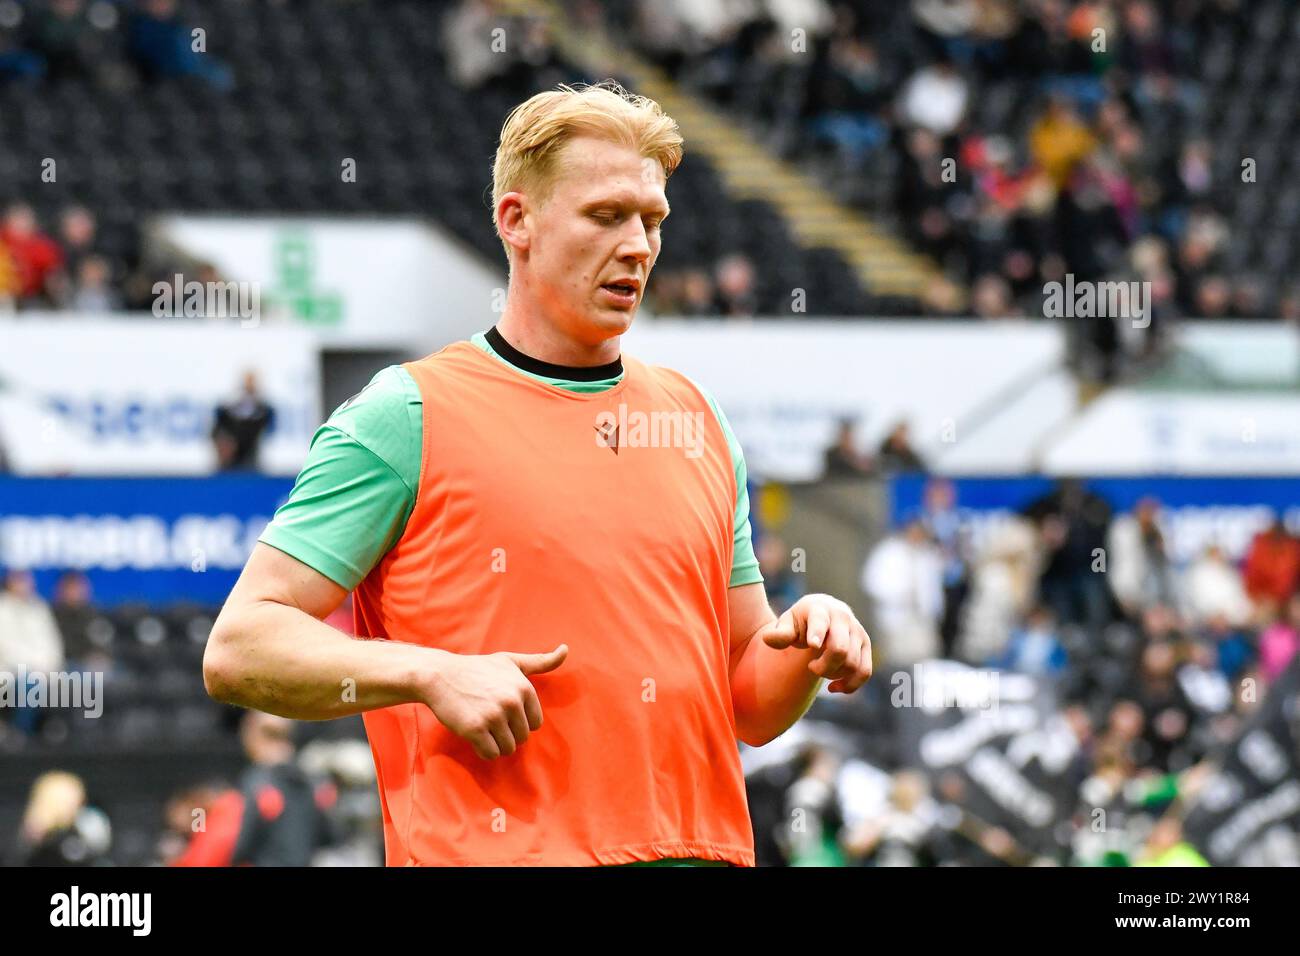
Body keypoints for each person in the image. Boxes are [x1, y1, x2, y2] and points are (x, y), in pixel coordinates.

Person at [204, 81, 874, 868]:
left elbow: (747, 703)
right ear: (517, 221)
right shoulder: (407, 414)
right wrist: (428, 672)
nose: (639, 245)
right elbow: (241, 647)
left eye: (652, 219)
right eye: (606, 216)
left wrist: (807, 642)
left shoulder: (697, 418)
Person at [211, 371, 274, 472]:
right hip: (227, 466)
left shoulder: (263, 410)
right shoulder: (229, 408)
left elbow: (268, 426)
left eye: (252, 383)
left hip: (250, 461)